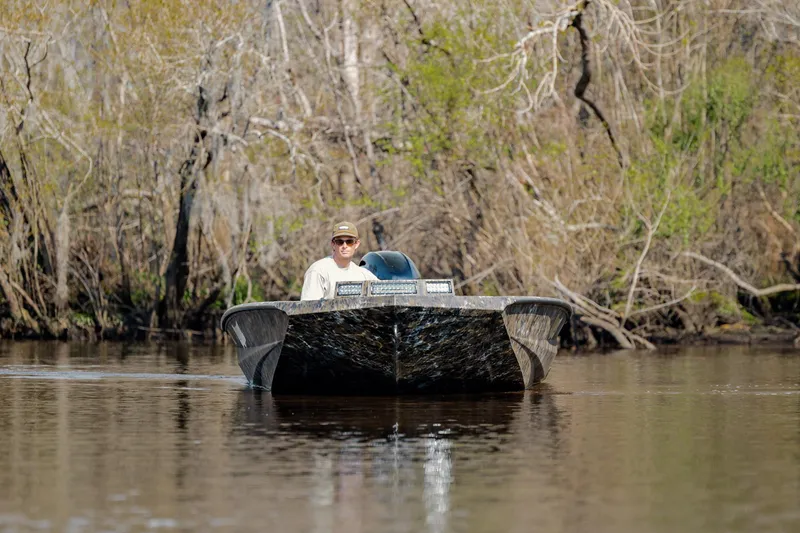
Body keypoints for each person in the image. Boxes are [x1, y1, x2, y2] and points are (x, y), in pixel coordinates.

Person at [300, 221, 378, 300]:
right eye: (339, 242)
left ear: (357, 244)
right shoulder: (318, 271)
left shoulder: (364, 275)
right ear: (333, 244)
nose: (344, 246)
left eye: (349, 242)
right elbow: (309, 308)